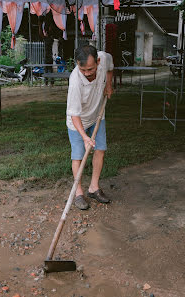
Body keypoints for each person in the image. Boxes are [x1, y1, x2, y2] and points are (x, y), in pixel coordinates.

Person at [66, 45, 114, 210]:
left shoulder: (104, 58)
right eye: (82, 69)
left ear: (98, 62)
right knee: (78, 156)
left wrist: (108, 84)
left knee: (100, 149)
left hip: (97, 116)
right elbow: (74, 114)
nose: (86, 73)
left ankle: (94, 187)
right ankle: (78, 193)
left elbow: (110, 67)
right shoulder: (75, 82)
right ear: (77, 64)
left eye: (90, 69)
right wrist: (85, 137)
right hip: (77, 122)